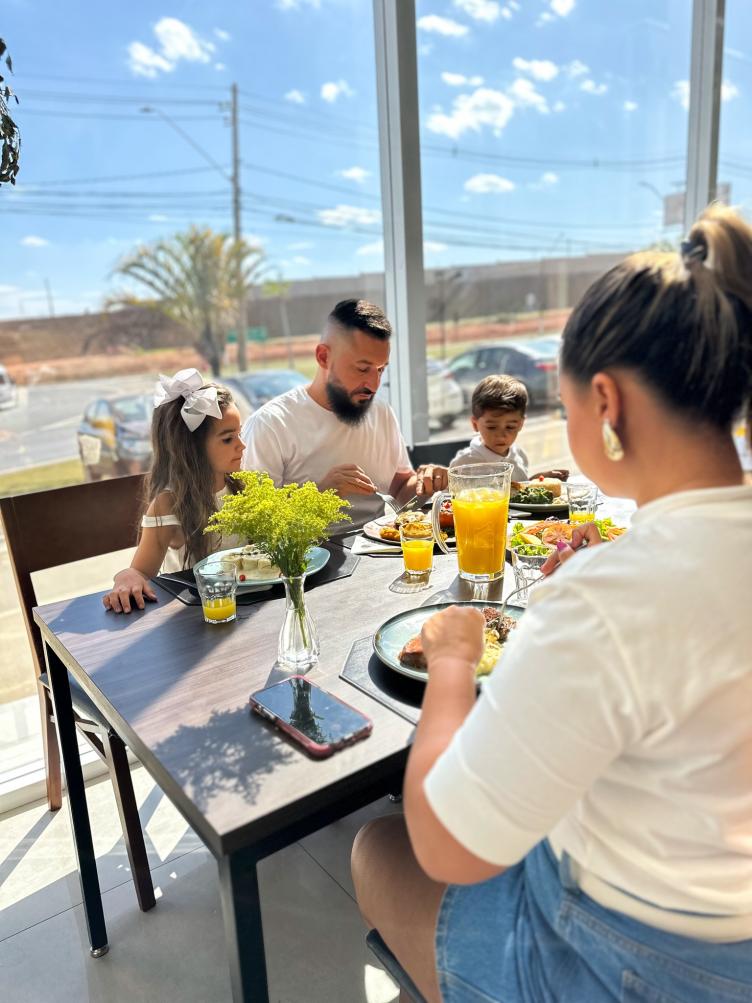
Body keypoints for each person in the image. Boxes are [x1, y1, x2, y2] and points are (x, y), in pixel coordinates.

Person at [351, 205, 752, 1002]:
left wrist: (458, 661)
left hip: (625, 965)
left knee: (379, 846)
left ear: (605, 403)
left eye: (562, 408)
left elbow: (449, 849)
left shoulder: (609, 595)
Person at [240, 299, 448, 531]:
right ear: (323, 357)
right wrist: (320, 496)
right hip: (307, 561)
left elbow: (399, 490)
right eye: (362, 368)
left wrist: (426, 482)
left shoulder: (381, 411)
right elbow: (255, 526)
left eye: (381, 369)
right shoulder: (271, 425)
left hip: (381, 555)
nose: (374, 384)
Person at [103, 369, 246, 613]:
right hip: (193, 616)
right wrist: (126, 578)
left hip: (246, 606)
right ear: (192, 448)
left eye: (239, 434)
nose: (241, 445)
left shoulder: (241, 486)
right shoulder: (169, 504)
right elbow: (140, 571)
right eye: (227, 439)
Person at [450, 373, 568, 481]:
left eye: (510, 427)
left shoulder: (519, 454)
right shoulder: (464, 464)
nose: (501, 435)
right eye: (492, 427)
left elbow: (518, 491)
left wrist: (540, 479)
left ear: (520, 424)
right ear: (475, 425)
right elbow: (447, 500)